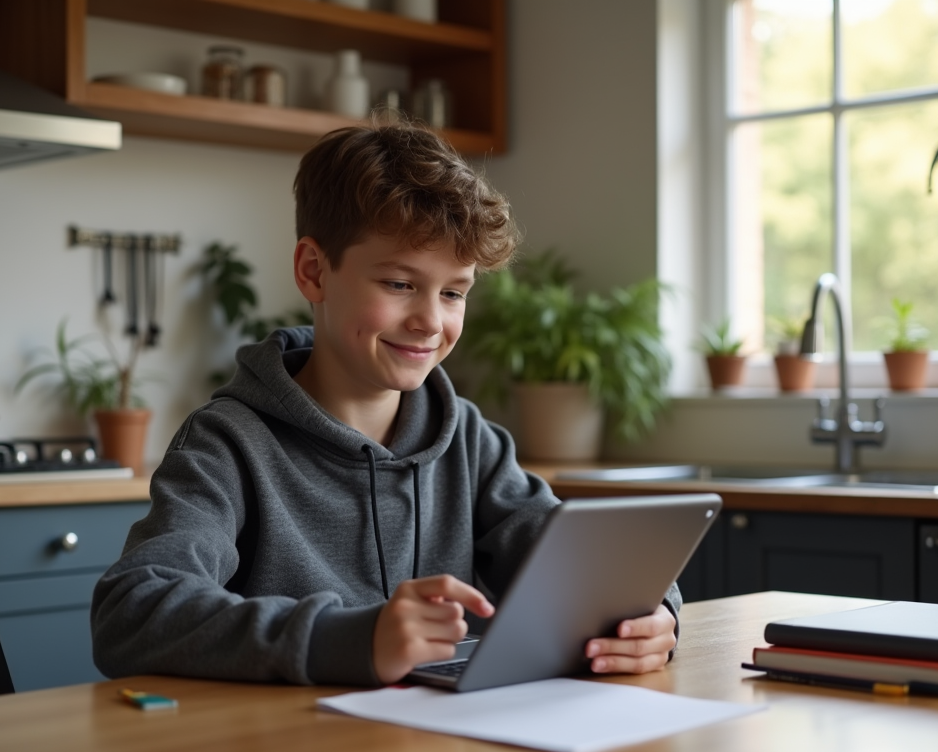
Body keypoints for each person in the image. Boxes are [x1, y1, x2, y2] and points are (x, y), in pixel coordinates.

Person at [90, 122, 681, 687]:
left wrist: (651, 617)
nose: (430, 320)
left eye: (454, 292)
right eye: (399, 284)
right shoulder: (228, 444)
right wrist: (344, 638)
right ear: (313, 271)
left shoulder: (470, 441)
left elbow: (580, 561)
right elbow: (132, 612)